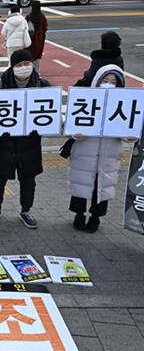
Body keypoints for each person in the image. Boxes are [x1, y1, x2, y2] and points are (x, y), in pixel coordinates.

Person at [0, 50, 50, 229]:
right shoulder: (0, 86)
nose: (23, 68)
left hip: (29, 143)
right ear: (12, 67)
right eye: (19, 65)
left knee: (28, 179)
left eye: (26, 64)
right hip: (4, 142)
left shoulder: (43, 86)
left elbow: (49, 115)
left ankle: (26, 210)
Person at [68, 65, 136, 233]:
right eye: (105, 81)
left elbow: (127, 129)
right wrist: (75, 134)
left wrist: (129, 136)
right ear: (97, 81)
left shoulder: (124, 104)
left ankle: (95, 217)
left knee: (102, 187)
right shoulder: (85, 100)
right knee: (81, 184)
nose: (109, 84)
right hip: (85, 151)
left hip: (109, 155)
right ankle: (78, 214)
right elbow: (69, 126)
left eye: (114, 82)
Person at [25, 0, 47, 74]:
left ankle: (29, 73)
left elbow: (25, 27)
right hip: (39, 39)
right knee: (37, 57)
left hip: (30, 40)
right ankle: (36, 74)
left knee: (29, 57)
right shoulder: (42, 17)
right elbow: (45, 28)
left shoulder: (28, 17)